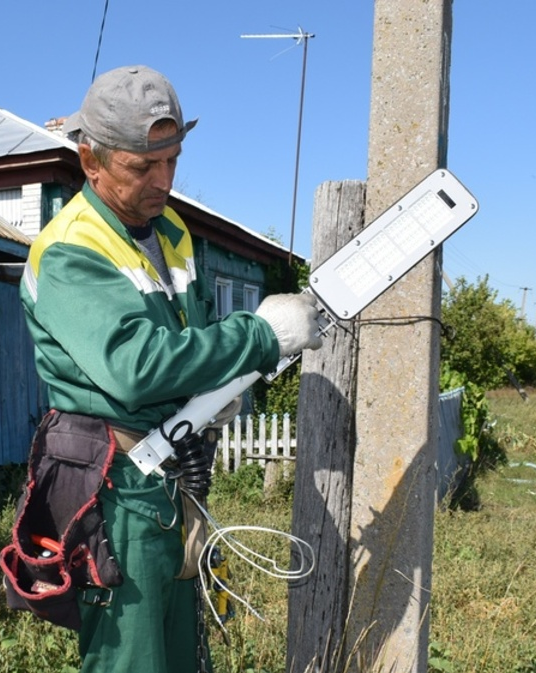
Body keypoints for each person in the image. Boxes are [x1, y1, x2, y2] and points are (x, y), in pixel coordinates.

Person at [17, 64, 322, 673]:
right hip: (116, 483)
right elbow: (136, 368)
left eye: (172, 161)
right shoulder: (72, 250)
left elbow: (189, 336)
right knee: (132, 656)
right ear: (91, 161)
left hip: (174, 471)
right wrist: (258, 338)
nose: (162, 181)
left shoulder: (171, 229)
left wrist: (217, 388)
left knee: (181, 649)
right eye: (142, 166)